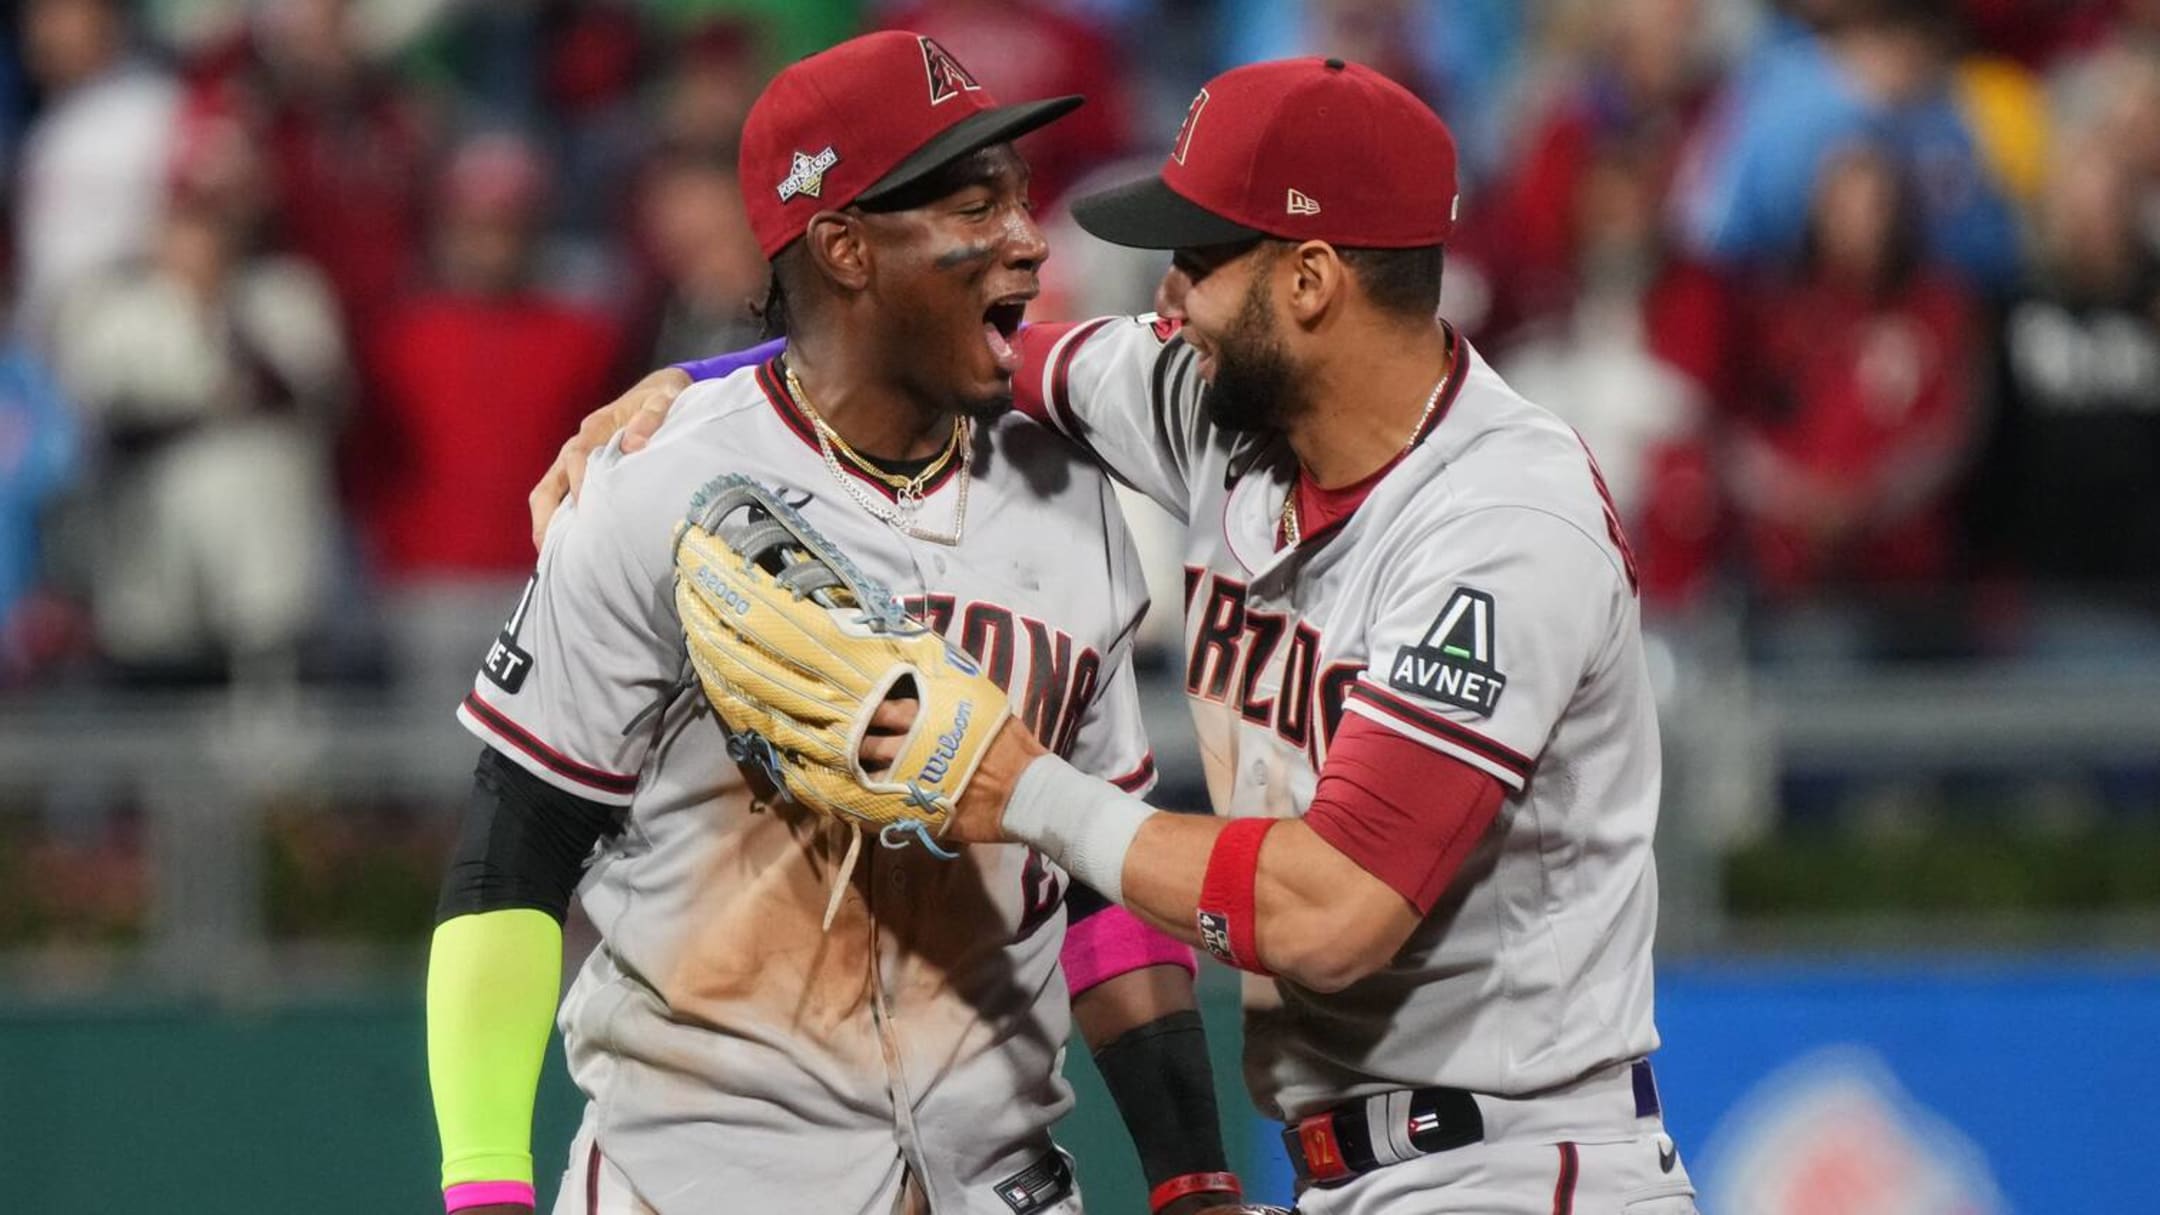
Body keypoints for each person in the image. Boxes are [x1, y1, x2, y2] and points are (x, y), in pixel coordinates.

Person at [549, 56, 1698, 1215]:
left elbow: (1332, 911)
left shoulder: (1502, 523)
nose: (1165, 302)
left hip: (1515, 1164)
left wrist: (1021, 791)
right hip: (1358, 1167)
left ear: (1309, 280)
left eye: (1198, 260)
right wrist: (699, 386)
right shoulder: (1216, 406)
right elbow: (919, 346)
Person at [428, 32, 1249, 1215]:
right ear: (846, 247)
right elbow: (512, 859)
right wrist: (484, 1190)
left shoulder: (1071, 491)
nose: (1028, 236)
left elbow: (1097, 883)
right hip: (698, 1181)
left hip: (997, 1183)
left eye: (1019, 196)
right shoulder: (654, 487)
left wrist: (1191, 1173)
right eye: (975, 204)